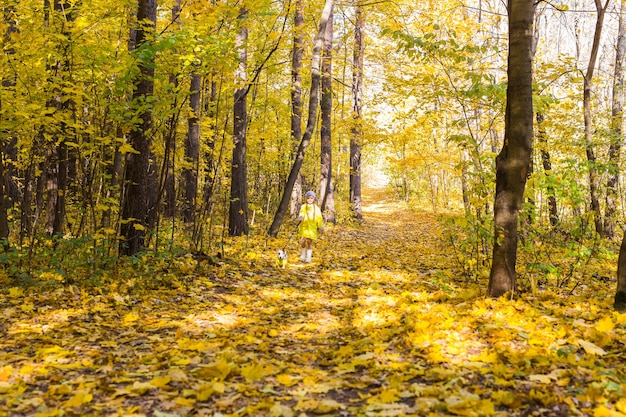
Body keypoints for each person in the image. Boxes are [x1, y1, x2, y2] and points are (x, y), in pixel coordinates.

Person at [298, 190, 324, 263]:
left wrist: (321, 226)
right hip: (304, 226)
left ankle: (308, 257)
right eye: (308, 198)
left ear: (314, 199)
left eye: (311, 198)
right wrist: (300, 217)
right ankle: (303, 254)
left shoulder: (316, 208)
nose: (310, 199)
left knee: (309, 242)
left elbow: (319, 218)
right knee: (302, 241)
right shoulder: (303, 206)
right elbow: (302, 213)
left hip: (312, 227)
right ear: (306, 198)